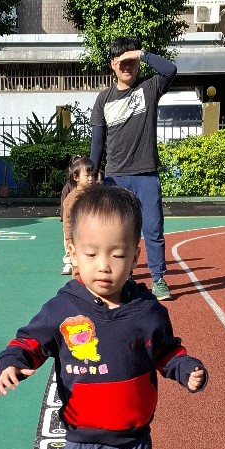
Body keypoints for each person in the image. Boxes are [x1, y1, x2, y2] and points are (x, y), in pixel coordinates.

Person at [0, 184, 207, 449]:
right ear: (72, 253)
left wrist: (186, 369)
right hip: (83, 439)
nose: (104, 266)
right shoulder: (63, 308)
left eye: (118, 254)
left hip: (133, 440)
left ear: (136, 254)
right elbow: (30, 341)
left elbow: (168, 352)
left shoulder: (147, 312)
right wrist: (12, 362)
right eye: (91, 254)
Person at [89, 38, 177, 302]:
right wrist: (92, 175)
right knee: (118, 233)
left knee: (153, 229)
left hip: (146, 174)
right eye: (122, 62)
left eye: (132, 62)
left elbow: (170, 70)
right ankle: (123, 278)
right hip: (115, 177)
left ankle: (158, 279)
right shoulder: (103, 98)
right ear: (112, 65)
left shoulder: (149, 87)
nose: (127, 67)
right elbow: (97, 142)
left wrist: (141, 53)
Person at [61, 156, 95, 275]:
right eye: (87, 176)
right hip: (78, 238)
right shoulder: (71, 200)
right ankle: (78, 284)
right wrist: (69, 240)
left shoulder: (95, 194)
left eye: (92, 175)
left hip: (94, 237)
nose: (91, 179)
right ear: (76, 177)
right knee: (79, 267)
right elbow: (67, 222)